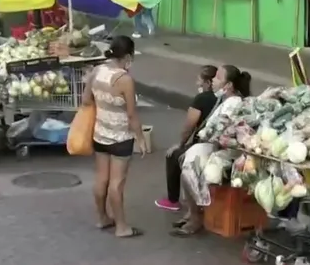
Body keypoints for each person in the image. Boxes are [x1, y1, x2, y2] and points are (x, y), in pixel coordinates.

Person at [172, 65, 251, 237]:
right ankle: (192, 212)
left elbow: (221, 132)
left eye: (217, 78)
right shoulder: (224, 99)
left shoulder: (234, 103)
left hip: (225, 151)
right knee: (185, 160)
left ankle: (196, 216)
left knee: (189, 165)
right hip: (215, 146)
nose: (213, 80)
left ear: (228, 85)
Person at [84, 35, 149, 238]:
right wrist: (140, 138)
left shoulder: (96, 71)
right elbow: (132, 114)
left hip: (100, 134)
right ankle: (122, 227)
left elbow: (86, 99)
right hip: (121, 137)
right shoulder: (125, 80)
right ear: (128, 56)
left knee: (101, 179)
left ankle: (103, 217)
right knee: (117, 183)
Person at [155, 65, 219, 212]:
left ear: (208, 83)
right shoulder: (225, 98)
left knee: (173, 156)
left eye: (199, 80)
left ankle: (173, 200)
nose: (197, 83)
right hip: (219, 145)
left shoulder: (202, 99)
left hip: (204, 145)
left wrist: (180, 144)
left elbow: (189, 127)